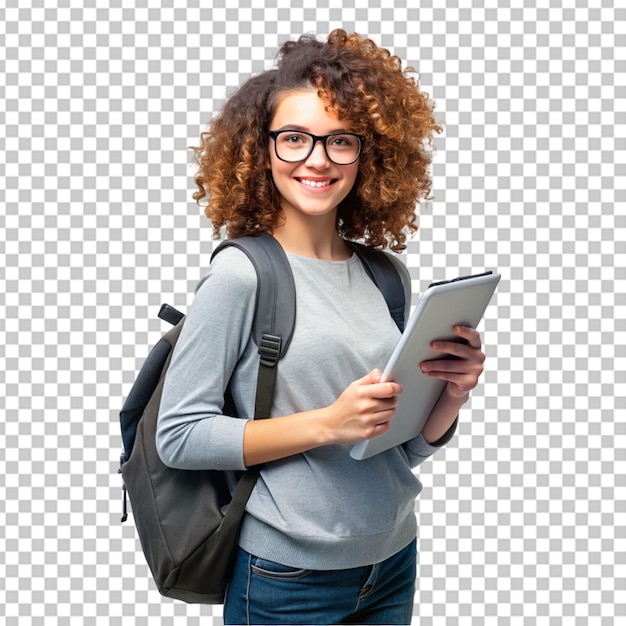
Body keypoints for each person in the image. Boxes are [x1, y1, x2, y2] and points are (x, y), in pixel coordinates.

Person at [156, 29, 485, 625]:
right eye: (295, 139)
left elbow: (395, 451)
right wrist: (328, 423)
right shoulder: (242, 276)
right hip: (286, 578)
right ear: (262, 151)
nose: (318, 159)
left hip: (391, 560)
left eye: (340, 141)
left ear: (368, 154)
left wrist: (449, 397)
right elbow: (179, 437)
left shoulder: (386, 275)